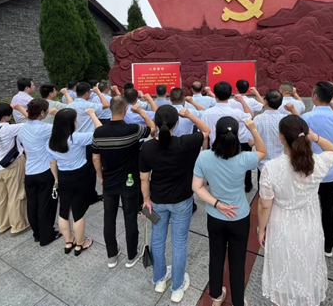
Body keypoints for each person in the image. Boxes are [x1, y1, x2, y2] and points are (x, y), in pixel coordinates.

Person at [258, 115, 333, 306]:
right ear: (305, 135)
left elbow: (265, 205)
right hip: (309, 223)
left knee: (282, 267)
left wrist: (261, 229)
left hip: (281, 224)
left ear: (281, 137)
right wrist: (314, 136)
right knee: (307, 266)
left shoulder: (270, 168)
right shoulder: (317, 163)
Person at [140, 106, 210, 302]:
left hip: (157, 201)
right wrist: (190, 115)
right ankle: (177, 288)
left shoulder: (147, 147)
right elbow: (206, 131)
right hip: (182, 200)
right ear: (176, 123)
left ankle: (159, 279)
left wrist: (146, 199)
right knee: (179, 243)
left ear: (155, 123)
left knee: (157, 239)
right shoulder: (185, 142)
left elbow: (144, 178)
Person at [193, 117, 265, 306]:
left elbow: (197, 187)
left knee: (216, 255)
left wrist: (217, 204)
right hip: (239, 216)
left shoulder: (204, 157)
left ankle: (216, 296)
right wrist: (253, 129)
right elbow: (262, 151)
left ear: (217, 133)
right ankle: (238, 301)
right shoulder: (244, 158)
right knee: (237, 260)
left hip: (215, 216)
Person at [92, 96, 156, 269]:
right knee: (130, 217)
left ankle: (112, 256)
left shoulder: (99, 132)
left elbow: (95, 158)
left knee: (109, 218)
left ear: (110, 109)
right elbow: (153, 129)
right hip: (129, 180)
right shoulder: (133, 129)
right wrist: (141, 112)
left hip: (109, 181)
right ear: (125, 109)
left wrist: (100, 176)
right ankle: (131, 255)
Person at [298, 81, 333, 257]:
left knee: (305, 208)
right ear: (332, 97)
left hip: (310, 169)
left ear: (314, 96)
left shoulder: (306, 118)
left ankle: (306, 242)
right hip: (330, 170)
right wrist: (331, 100)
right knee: (328, 208)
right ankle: (328, 246)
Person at [48, 108, 102, 256]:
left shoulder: (51, 142)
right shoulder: (76, 138)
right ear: (71, 123)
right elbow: (100, 132)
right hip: (80, 175)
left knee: (64, 210)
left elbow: (52, 163)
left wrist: (56, 179)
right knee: (78, 212)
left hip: (63, 176)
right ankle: (80, 243)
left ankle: (68, 241)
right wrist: (92, 115)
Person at [0, 103, 30, 234]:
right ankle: (18, 225)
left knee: (0, 197)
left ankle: (2, 225)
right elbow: (33, 121)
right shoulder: (9, 129)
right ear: (5, 117)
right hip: (13, 164)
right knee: (16, 194)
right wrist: (19, 108)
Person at [18, 99, 61, 246]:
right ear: (42, 113)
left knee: (32, 204)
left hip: (30, 171)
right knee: (46, 205)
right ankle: (46, 236)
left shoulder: (22, 129)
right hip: (45, 171)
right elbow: (65, 128)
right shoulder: (46, 128)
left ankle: (37, 234)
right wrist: (57, 115)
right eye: (47, 110)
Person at [201, 82, 255, 192]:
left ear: (215, 95)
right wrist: (242, 101)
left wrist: (204, 151)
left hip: (214, 149)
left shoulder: (207, 113)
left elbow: (205, 135)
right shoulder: (235, 112)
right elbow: (250, 116)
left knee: (217, 177)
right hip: (233, 149)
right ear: (230, 94)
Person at [68, 82, 110, 204]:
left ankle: (80, 193)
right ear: (87, 93)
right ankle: (91, 195)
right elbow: (106, 104)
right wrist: (98, 92)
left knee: (80, 167)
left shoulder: (70, 105)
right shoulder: (88, 105)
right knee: (91, 169)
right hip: (88, 140)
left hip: (75, 140)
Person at [253, 89, 284, 184]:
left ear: (265, 102)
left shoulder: (258, 119)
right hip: (281, 163)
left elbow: (250, 142)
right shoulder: (285, 119)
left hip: (263, 164)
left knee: (263, 190)